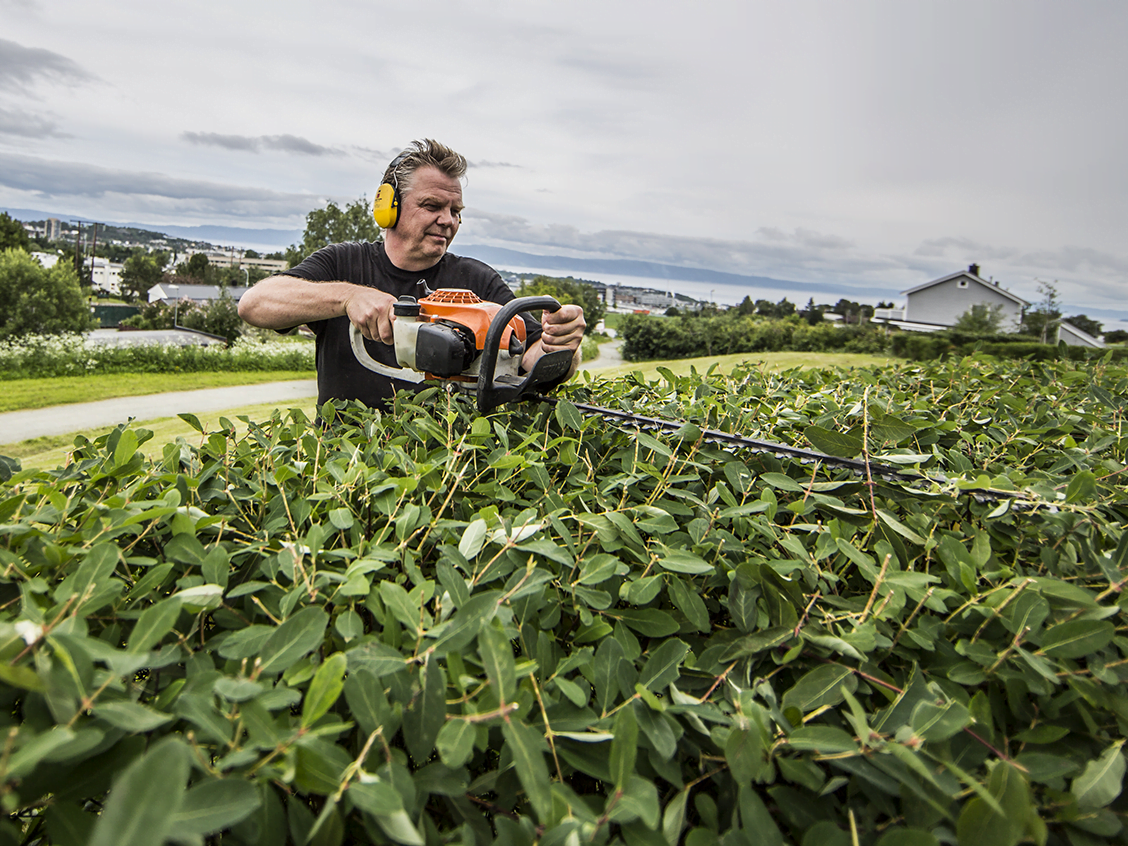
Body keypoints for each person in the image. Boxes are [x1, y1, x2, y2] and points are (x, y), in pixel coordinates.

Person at [238, 139, 586, 409]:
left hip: (443, 467)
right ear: (388, 207)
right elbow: (255, 304)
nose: (448, 220)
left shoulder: (478, 281)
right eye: (432, 206)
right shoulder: (343, 264)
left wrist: (562, 345)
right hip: (344, 465)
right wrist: (349, 297)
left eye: (455, 211)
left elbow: (531, 359)